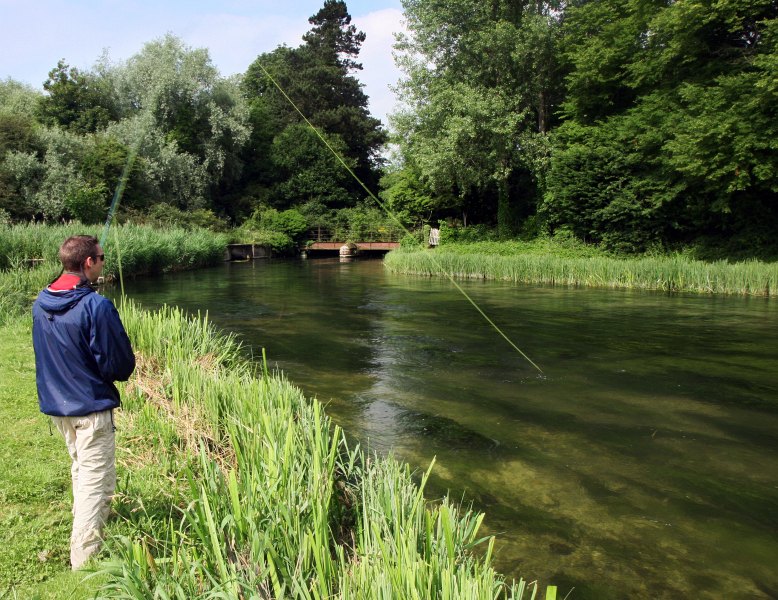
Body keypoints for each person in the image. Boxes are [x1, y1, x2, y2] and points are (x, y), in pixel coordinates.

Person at [32, 235, 135, 570]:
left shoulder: (41, 301)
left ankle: (95, 529)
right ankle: (85, 560)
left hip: (60, 406)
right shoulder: (96, 306)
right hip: (89, 407)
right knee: (93, 477)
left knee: (83, 469)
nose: (104, 262)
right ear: (88, 262)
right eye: (101, 258)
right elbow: (119, 366)